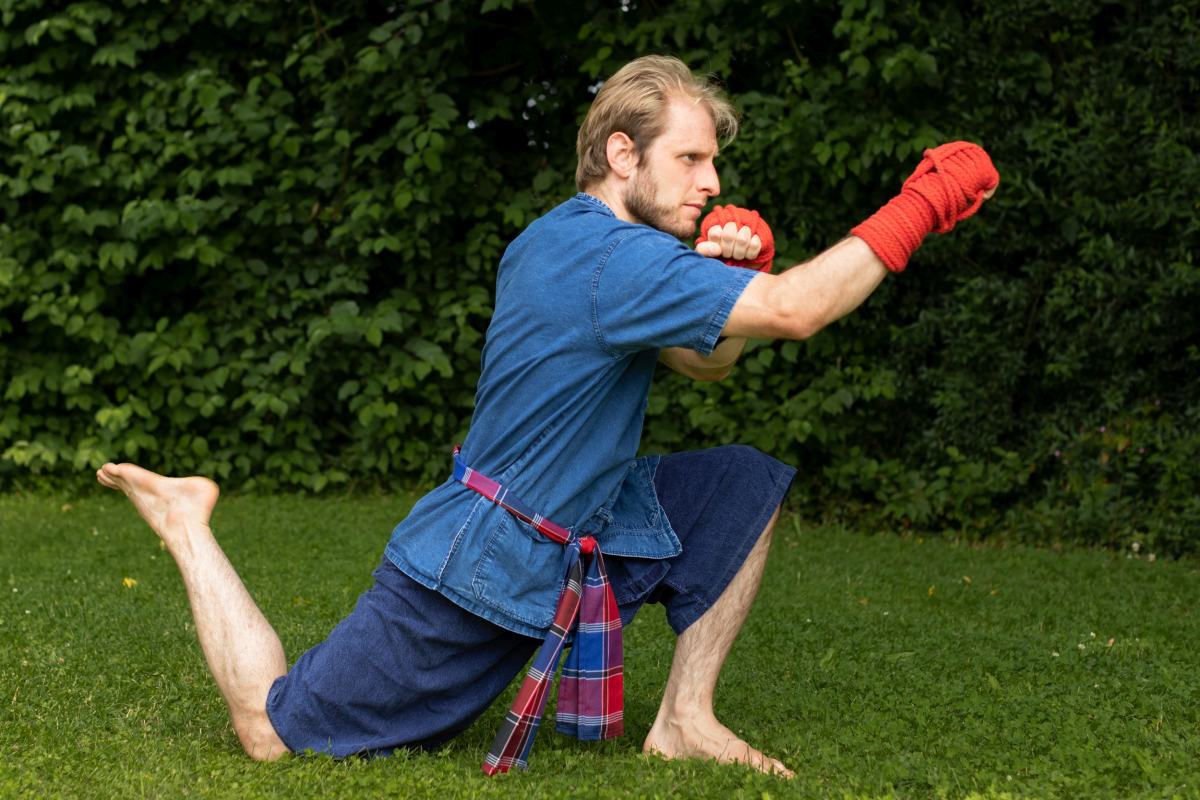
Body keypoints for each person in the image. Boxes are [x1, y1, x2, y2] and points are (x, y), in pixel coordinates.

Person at [96, 54, 998, 777]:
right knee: (273, 729)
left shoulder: (574, 240)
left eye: (711, 161)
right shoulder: (613, 262)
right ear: (619, 154)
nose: (710, 180)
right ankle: (185, 518)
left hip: (582, 520)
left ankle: (685, 719)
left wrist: (725, 283)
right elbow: (799, 310)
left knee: (739, 486)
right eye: (689, 159)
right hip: (481, 562)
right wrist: (919, 205)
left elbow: (704, 363)